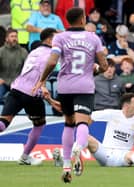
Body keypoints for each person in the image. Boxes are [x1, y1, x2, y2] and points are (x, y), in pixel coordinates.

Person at [32, 7, 108, 183]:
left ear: (67, 21)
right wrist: (96, 69)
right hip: (84, 86)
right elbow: (103, 65)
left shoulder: (59, 37)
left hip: (65, 86)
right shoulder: (93, 38)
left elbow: (52, 60)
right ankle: (78, 147)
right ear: (82, 19)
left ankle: (66, 165)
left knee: (68, 123)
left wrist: (42, 80)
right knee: (82, 122)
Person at [0, 28, 58, 165]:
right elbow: (43, 71)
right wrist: (43, 87)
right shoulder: (51, 54)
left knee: (3, 124)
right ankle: (25, 157)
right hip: (32, 93)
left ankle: (25, 157)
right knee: (39, 125)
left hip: (16, 89)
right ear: (49, 40)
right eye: (56, 38)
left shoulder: (33, 52)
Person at [87, 92, 134, 168]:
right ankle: (73, 156)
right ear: (126, 105)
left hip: (122, 156)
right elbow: (91, 117)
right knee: (85, 136)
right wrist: (83, 128)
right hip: (104, 153)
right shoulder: (112, 114)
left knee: (131, 155)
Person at [0, 28, 28, 104]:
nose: (14, 38)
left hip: (18, 83)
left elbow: (27, 69)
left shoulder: (23, 51)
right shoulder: (1, 51)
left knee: (24, 99)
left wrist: (21, 81)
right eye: (12, 36)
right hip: (3, 82)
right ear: (6, 39)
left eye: (16, 36)